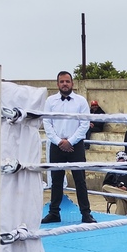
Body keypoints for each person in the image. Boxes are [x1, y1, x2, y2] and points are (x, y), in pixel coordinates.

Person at [42, 71, 96, 224]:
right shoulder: (50, 101)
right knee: (56, 180)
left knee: (80, 180)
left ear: (72, 83)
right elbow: (47, 123)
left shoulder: (81, 101)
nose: (64, 84)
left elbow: (85, 124)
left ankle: (86, 213)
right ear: (57, 84)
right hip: (56, 144)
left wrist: (70, 142)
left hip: (76, 145)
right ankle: (54, 212)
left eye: (67, 81)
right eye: (62, 81)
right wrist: (59, 141)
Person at [102, 151, 127, 215]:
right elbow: (106, 183)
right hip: (113, 194)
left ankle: (118, 219)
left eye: (123, 159)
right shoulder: (112, 171)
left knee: (120, 198)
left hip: (125, 195)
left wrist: (126, 188)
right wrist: (116, 187)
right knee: (104, 187)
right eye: (120, 159)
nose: (121, 161)